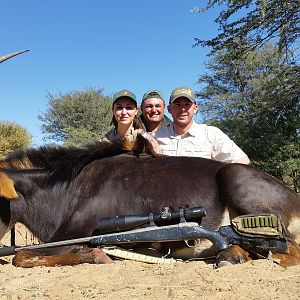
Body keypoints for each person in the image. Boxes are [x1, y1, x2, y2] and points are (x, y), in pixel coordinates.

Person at [155, 86, 250, 164]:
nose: (182, 109)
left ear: (195, 108)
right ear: (169, 109)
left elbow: (242, 161)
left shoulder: (212, 134)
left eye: (187, 104)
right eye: (177, 105)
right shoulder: (156, 137)